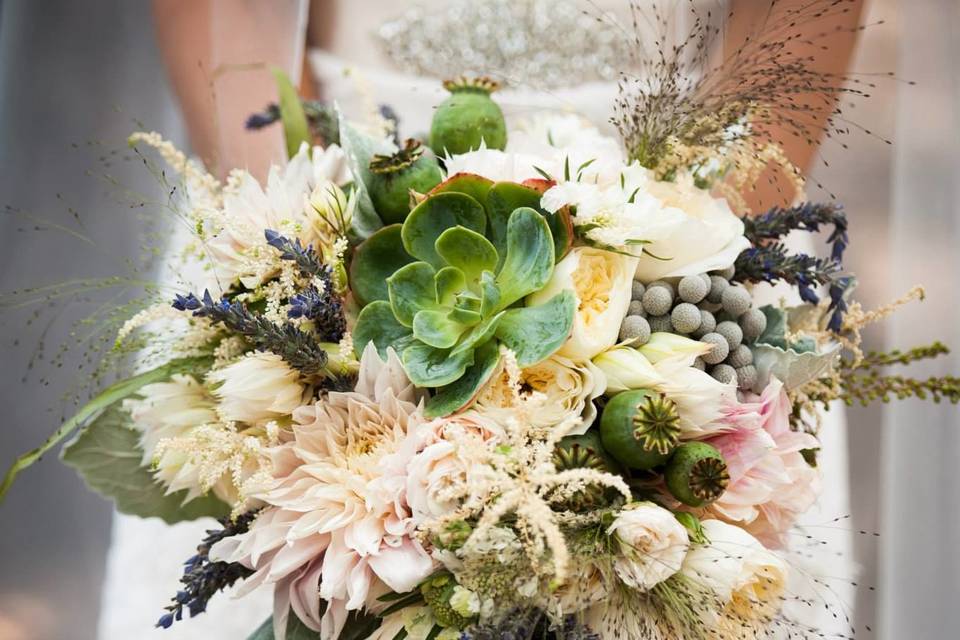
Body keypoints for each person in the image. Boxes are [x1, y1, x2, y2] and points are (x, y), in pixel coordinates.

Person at [96, 1, 865, 638]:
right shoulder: (312, 256)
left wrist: (698, 276)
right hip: (330, 188)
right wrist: (312, 267)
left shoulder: (695, 273)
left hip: (685, 227)